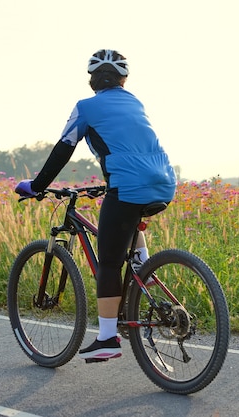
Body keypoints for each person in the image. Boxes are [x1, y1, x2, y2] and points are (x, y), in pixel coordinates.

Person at [15, 49, 177, 361]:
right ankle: (143, 270)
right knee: (128, 219)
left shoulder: (86, 107)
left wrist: (37, 187)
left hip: (128, 185)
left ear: (92, 80)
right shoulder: (135, 102)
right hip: (163, 181)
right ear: (124, 80)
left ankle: (106, 338)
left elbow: (64, 147)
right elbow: (129, 146)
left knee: (109, 263)